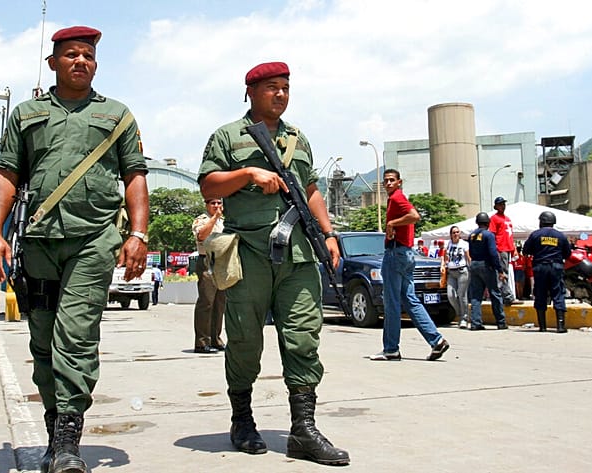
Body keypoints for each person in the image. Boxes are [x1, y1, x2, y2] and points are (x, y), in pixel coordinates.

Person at [0, 26, 149, 473]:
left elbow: (135, 175)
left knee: (74, 338)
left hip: (93, 241)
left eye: (88, 55)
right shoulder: (26, 114)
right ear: (52, 63)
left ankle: (68, 441)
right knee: (42, 341)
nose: (81, 61)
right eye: (71, 55)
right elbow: (6, 174)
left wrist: (138, 233)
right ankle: (56, 427)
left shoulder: (117, 115)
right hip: (38, 243)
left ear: (96, 64)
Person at [198, 61, 349, 465]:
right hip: (248, 254)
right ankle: (242, 419)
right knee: (245, 341)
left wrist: (329, 233)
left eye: (285, 87)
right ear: (250, 91)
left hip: (298, 254)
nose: (280, 94)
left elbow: (311, 188)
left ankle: (303, 429)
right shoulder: (228, 136)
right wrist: (248, 173)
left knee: (303, 338)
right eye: (271, 87)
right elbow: (208, 184)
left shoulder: (299, 138)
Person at [370, 169, 450, 359]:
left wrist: (392, 224)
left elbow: (414, 216)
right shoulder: (395, 199)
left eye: (392, 180)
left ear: (399, 182)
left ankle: (391, 349)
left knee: (391, 302)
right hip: (406, 254)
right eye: (386, 181)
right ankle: (436, 340)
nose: (388, 183)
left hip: (396, 254)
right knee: (410, 299)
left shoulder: (398, 198)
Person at [522, 211, 571, 332]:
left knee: (540, 293)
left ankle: (542, 326)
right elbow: (568, 253)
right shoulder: (560, 236)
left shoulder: (535, 235)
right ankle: (560, 326)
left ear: (541, 222)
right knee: (558, 293)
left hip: (540, 267)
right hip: (556, 267)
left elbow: (525, 250)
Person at [191, 198, 226, 354]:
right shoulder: (202, 220)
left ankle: (215, 339)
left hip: (222, 262)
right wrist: (214, 218)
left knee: (220, 303)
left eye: (219, 203)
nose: (217, 206)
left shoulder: (225, 221)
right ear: (207, 205)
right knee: (206, 302)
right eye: (213, 203)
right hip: (207, 260)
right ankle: (201, 342)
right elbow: (201, 236)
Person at [468, 212, 507, 330]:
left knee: (476, 295)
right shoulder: (488, 235)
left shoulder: (471, 235)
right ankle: (500, 322)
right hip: (486, 265)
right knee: (495, 293)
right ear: (488, 223)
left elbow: (470, 252)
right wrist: (499, 270)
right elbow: (493, 253)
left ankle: (475, 323)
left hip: (474, 264)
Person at [489, 196, 518, 304]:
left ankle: (505, 295)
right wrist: (495, 249)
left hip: (507, 248)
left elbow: (510, 235)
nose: (503, 206)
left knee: (505, 272)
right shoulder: (494, 218)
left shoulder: (507, 219)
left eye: (503, 204)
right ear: (495, 206)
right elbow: (492, 234)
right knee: (501, 273)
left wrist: (513, 248)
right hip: (500, 248)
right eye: (500, 204)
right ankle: (507, 296)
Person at [444, 226, 470, 329]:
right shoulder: (448, 244)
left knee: (462, 295)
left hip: (462, 271)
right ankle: (460, 313)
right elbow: (445, 256)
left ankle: (464, 318)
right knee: (451, 295)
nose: (455, 234)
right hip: (451, 271)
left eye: (457, 232)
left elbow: (468, 257)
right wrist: (444, 264)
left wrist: (471, 267)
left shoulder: (464, 244)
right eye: (454, 232)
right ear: (451, 234)